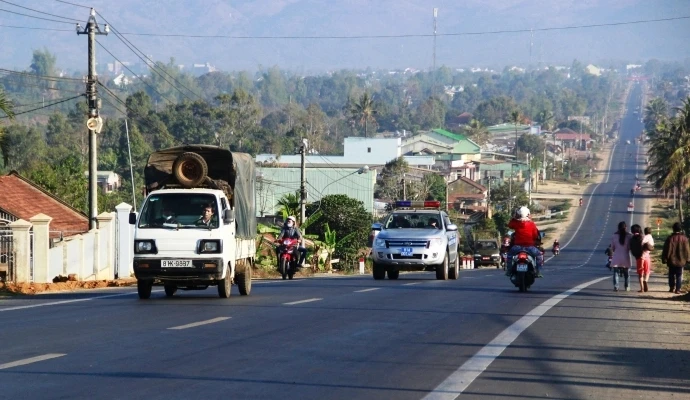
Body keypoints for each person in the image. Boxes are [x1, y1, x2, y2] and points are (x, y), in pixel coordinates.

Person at [505, 206, 543, 277]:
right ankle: (538, 272)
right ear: (528, 214)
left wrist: (514, 218)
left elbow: (510, 225)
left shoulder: (516, 223)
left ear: (518, 214)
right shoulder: (531, 224)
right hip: (530, 247)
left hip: (517, 247)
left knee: (509, 256)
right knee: (538, 255)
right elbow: (535, 235)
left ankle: (509, 271)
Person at [661, 222, 690, 294]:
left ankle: (671, 287)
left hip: (671, 260)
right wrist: (688, 259)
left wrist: (664, 258)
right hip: (681, 260)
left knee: (671, 274)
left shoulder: (670, 238)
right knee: (679, 275)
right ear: (680, 229)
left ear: (673, 229)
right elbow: (687, 250)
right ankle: (678, 289)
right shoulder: (685, 239)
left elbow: (666, 249)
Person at [610, 221, 632, 292]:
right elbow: (629, 247)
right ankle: (627, 286)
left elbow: (612, 248)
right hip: (625, 257)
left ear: (618, 228)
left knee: (615, 272)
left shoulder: (614, 236)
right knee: (627, 273)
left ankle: (616, 286)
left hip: (616, 257)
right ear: (626, 227)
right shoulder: (629, 236)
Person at [638, 227, 655, 292]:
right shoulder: (651, 238)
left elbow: (642, 243)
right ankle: (646, 280)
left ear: (645, 232)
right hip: (648, 256)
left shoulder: (645, 237)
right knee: (647, 271)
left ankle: (642, 288)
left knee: (641, 272)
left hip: (642, 256)